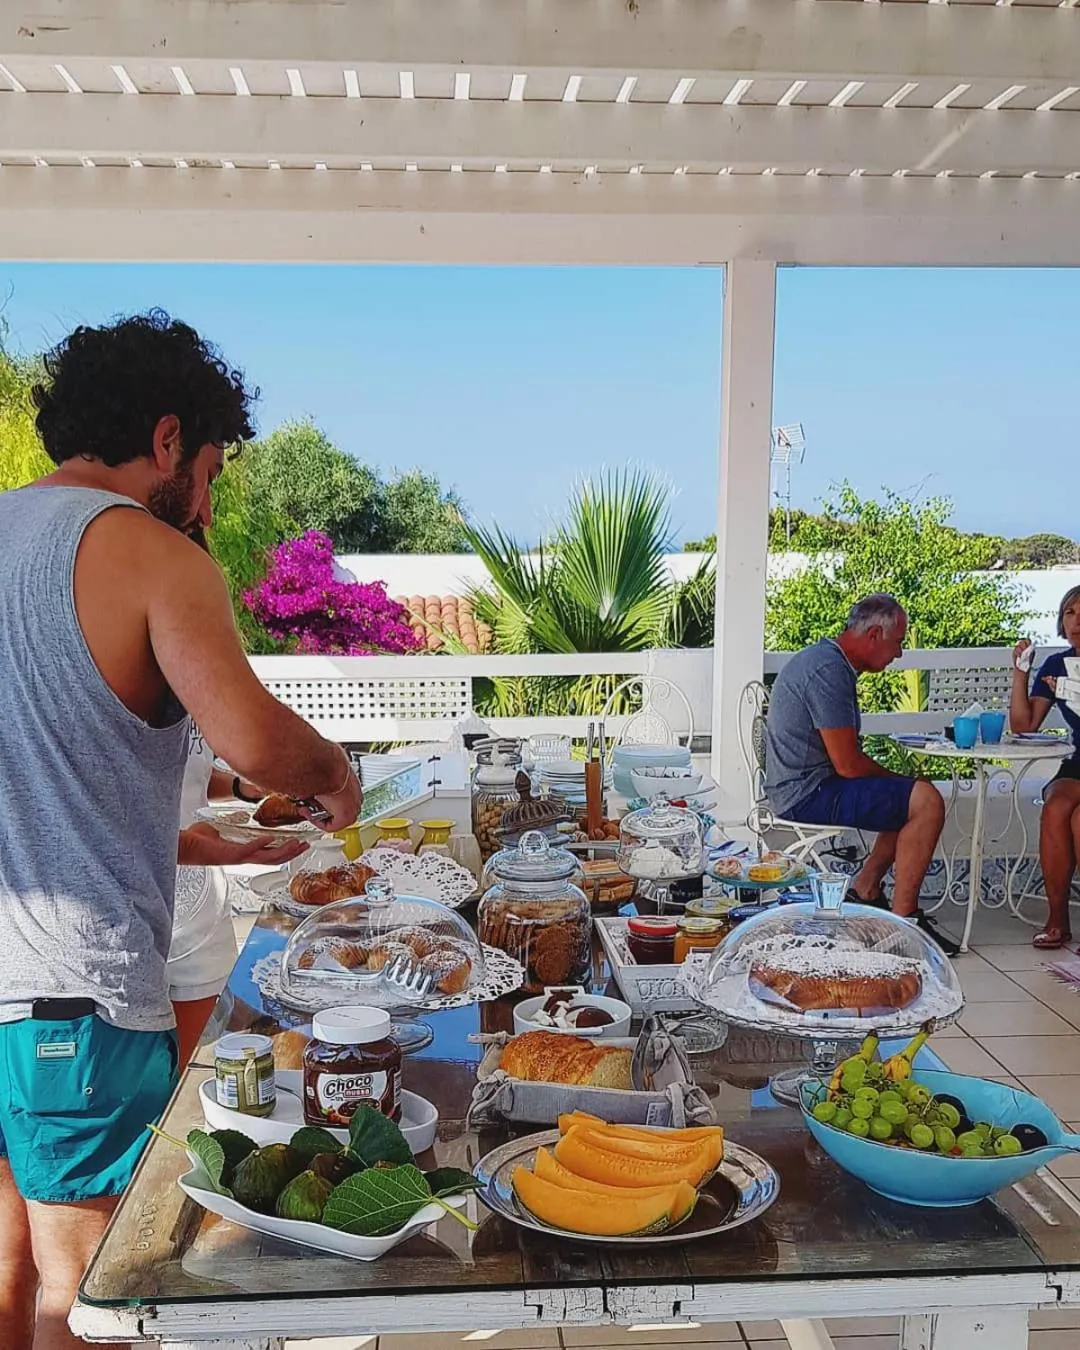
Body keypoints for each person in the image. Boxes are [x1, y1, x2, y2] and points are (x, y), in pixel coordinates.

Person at [0, 310, 362, 1350]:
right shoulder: (150, 553)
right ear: (167, 440)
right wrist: (336, 779)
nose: (205, 502)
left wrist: (215, 845)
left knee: (9, 1267)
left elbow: (48, 793)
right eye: (207, 471)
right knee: (96, 1292)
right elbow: (252, 741)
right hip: (73, 1001)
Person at [764, 594, 955, 955]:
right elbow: (848, 765)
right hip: (805, 792)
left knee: (909, 796)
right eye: (897, 642)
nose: (899, 653)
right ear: (873, 635)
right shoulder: (828, 671)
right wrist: (902, 783)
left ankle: (866, 887)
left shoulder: (828, 661)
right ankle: (905, 926)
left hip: (803, 783)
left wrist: (900, 785)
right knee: (925, 801)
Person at [1010, 585, 1080, 950]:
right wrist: (1021, 672)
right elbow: (1023, 726)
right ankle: (1057, 919)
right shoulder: (1057, 666)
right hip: (1078, 761)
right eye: (1070, 613)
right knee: (1055, 807)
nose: (1077, 622)